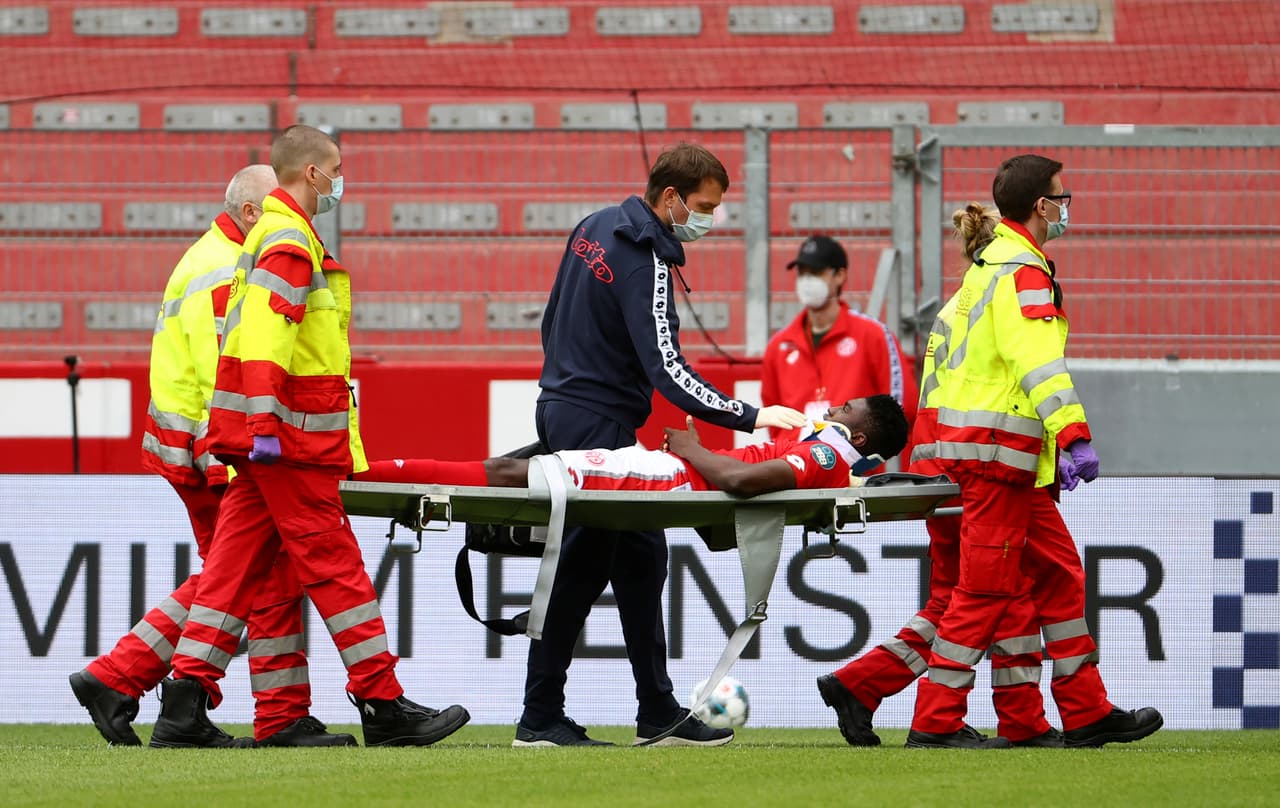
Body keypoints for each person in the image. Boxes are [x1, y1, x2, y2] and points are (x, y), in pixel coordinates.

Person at [150, 124, 470, 749]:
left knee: (230, 573)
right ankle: (382, 702)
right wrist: (267, 421)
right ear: (313, 173)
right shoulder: (292, 239)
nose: (341, 179)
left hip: (265, 437)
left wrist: (257, 424)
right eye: (337, 168)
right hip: (290, 439)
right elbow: (269, 337)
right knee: (337, 566)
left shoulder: (268, 233)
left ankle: (182, 704)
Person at [526, 142, 807, 747]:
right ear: (671, 197)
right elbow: (667, 368)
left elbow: (551, 320)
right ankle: (543, 715)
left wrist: (566, 389)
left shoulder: (593, 226)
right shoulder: (647, 255)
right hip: (596, 422)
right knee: (586, 561)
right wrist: (750, 415)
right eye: (704, 206)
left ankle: (651, 710)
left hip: (567, 408)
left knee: (640, 558)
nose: (711, 219)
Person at [68, 165, 354, 748]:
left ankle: (121, 679)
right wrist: (234, 456)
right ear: (251, 212)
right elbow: (224, 370)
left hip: (194, 448)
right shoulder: (232, 267)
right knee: (250, 577)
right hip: (217, 453)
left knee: (239, 577)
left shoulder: (209, 257)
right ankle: (274, 716)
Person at [903, 155, 1162, 748]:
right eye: (1061, 197)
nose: (1066, 207)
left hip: (987, 453)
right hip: (996, 457)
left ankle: (1086, 711)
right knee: (984, 593)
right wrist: (1072, 434)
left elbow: (944, 366)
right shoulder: (1021, 270)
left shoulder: (984, 269)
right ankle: (934, 722)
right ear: (1042, 207)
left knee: (1059, 575)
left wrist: (939, 450)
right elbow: (1037, 364)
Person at [817, 204, 1063, 749]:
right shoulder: (1000, 297)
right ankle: (1010, 722)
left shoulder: (957, 306)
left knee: (952, 602)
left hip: (941, 467)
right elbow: (1019, 383)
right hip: (978, 467)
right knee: (1002, 594)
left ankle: (859, 684)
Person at [357, 396, 908, 498]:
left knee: (508, 473)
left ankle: (362, 476)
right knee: (511, 468)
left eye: (844, 410)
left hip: (666, 478)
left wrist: (691, 448)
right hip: (664, 471)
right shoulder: (826, 451)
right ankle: (366, 475)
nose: (831, 408)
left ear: (858, 436)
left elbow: (741, 482)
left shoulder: (827, 455)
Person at [761, 235, 917, 463]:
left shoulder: (872, 334)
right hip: (794, 467)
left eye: (815, 272)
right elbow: (774, 417)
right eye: (802, 272)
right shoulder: (778, 345)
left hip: (856, 471)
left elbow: (901, 408)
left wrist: (867, 463)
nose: (806, 280)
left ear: (840, 275)